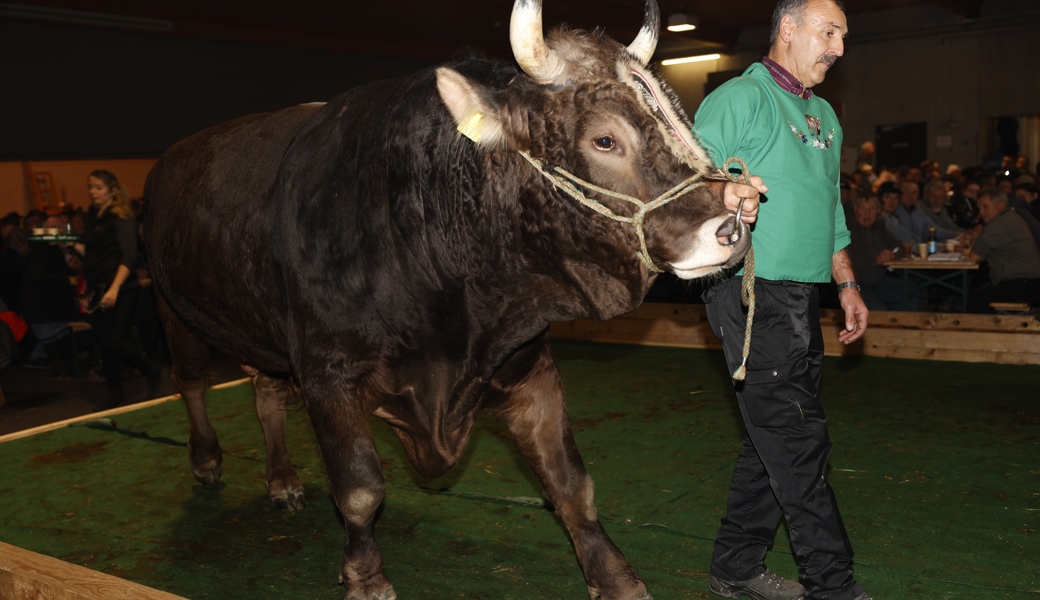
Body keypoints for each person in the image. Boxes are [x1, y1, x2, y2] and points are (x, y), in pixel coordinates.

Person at [692, 1, 872, 599]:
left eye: (844, 36)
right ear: (788, 29)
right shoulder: (741, 98)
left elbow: (830, 209)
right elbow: (687, 180)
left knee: (770, 438)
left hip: (802, 295)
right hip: (750, 293)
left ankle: (736, 566)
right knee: (798, 441)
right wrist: (728, 188)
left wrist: (844, 282)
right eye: (830, 33)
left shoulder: (823, 114)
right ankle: (834, 587)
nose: (839, 48)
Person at [80, 169, 166, 409]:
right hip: (98, 286)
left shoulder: (122, 216)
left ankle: (154, 371)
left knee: (114, 339)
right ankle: (115, 392)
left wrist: (115, 288)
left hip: (121, 287)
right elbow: (96, 254)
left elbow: (129, 255)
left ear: (112, 190)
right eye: (90, 187)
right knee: (104, 342)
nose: (92, 191)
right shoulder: (94, 217)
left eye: (97, 187)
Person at [964, 188, 1040, 312]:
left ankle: (980, 330)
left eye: (985, 207)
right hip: (1029, 280)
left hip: (1026, 282)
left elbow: (974, 257)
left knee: (976, 299)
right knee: (977, 288)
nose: (981, 212)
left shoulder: (1000, 224)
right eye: (980, 208)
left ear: (1000, 205)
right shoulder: (1009, 217)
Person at [848, 196, 909, 310]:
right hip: (856, 282)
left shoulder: (880, 225)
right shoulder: (848, 228)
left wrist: (892, 254)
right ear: (855, 209)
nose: (867, 213)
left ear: (878, 211)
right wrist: (876, 260)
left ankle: (899, 325)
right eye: (862, 208)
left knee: (910, 292)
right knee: (878, 308)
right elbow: (851, 261)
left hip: (879, 280)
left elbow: (899, 246)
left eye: (872, 209)